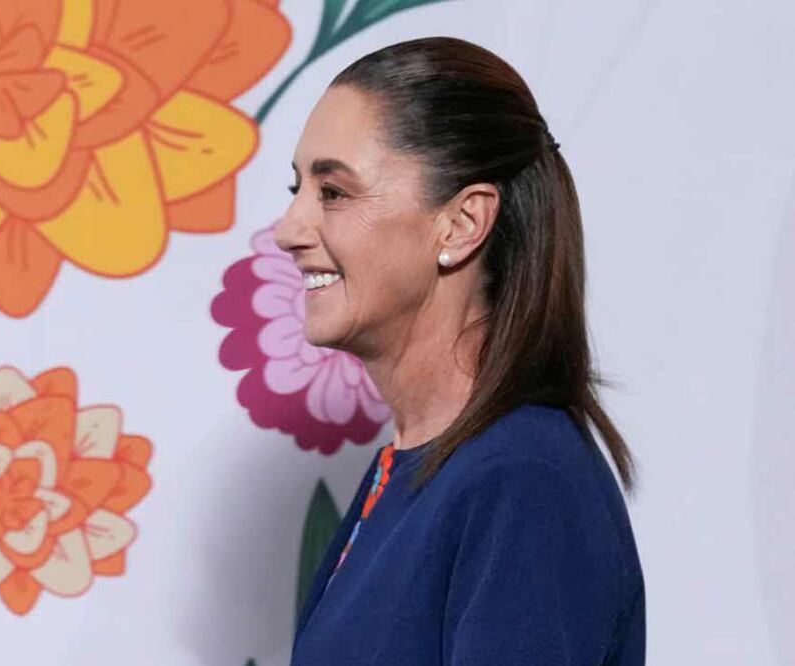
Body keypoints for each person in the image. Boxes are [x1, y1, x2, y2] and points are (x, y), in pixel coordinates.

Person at [274, 36, 645, 665]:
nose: (288, 230)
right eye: (297, 190)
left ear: (464, 223)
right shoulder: (418, 465)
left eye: (333, 192)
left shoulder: (522, 482)